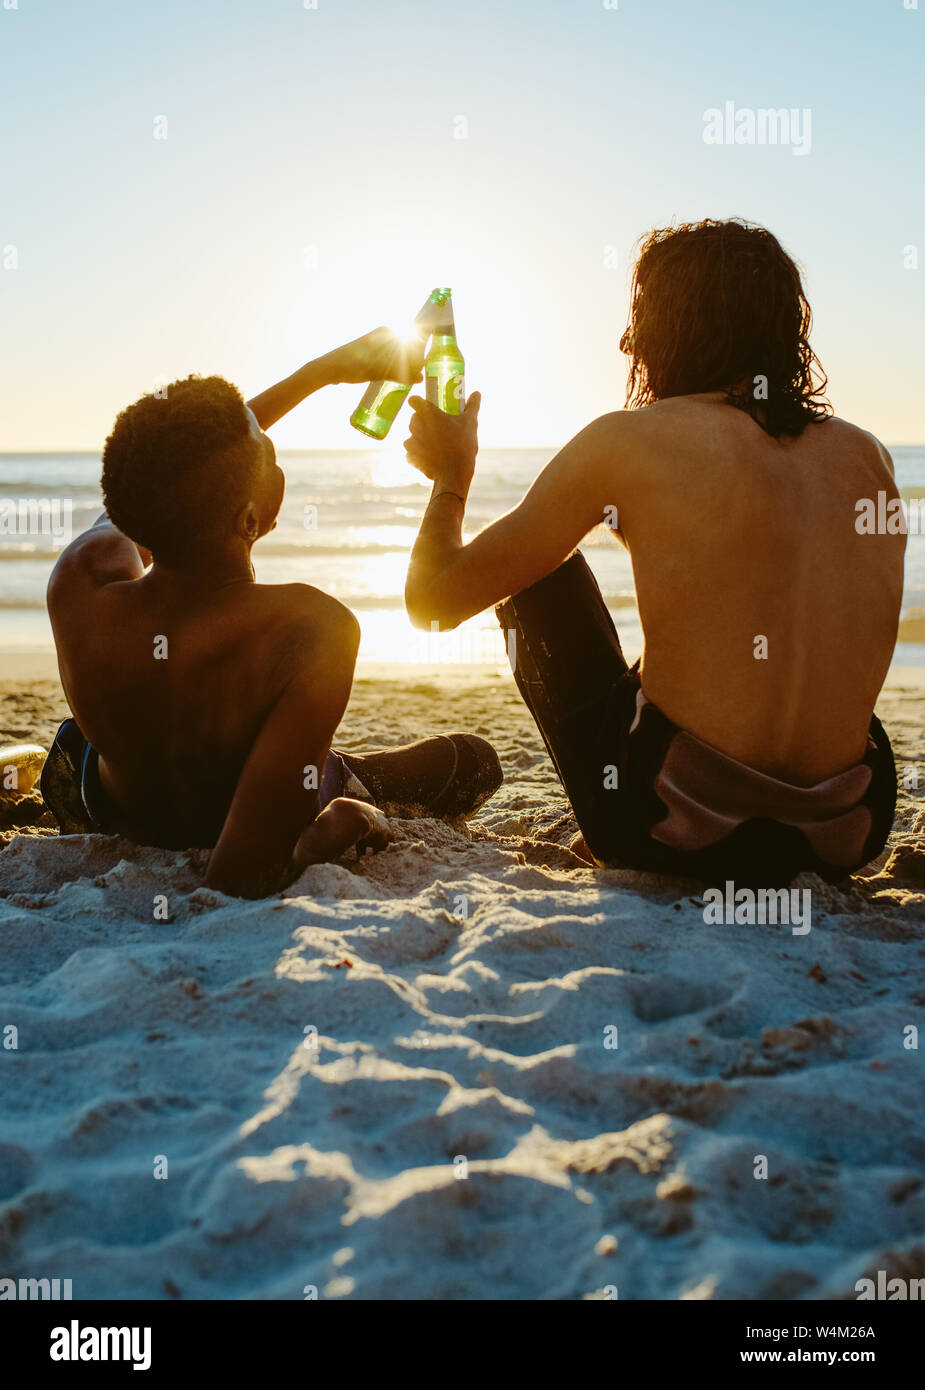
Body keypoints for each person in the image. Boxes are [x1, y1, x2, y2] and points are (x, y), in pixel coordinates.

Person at [402, 219, 905, 887]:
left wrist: (451, 478)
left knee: (539, 578)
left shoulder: (626, 440)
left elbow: (432, 605)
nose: (624, 341)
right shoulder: (865, 453)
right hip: (848, 829)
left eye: (636, 317)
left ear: (667, 326)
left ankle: (636, 818)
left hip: (670, 829)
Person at [42, 329, 502, 898]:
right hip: (236, 818)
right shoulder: (314, 629)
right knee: (475, 762)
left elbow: (169, 473)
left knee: (71, 742)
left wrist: (321, 373)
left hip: (111, 807)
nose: (270, 447)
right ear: (256, 515)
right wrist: (358, 820)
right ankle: (361, 785)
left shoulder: (81, 577)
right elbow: (240, 876)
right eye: (267, 452)